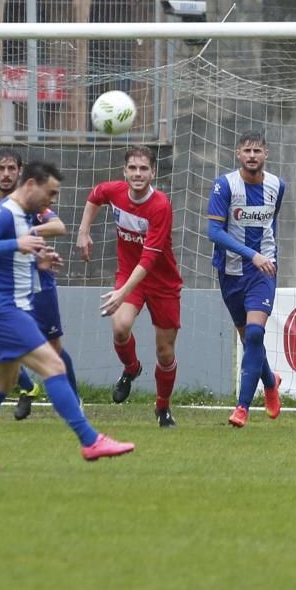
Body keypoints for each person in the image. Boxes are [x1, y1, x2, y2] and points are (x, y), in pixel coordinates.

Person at [0, 161, 134, 468]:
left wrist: (36, 260)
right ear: (30, 185)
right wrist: (19, 243)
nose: (52, 200)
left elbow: (8, 259)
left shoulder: (25, 215)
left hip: (7, 308)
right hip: (2, 310)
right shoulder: (3, 213)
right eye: (50, 193)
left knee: (2, 382)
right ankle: (90, 440)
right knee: (53, 363)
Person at [76, 146, 183, 427]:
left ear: (153, 172)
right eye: (133, 168)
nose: (138, 174)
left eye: (143, 168)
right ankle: (131, 369)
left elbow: (149, 259)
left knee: (165, 351)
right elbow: (95, 195)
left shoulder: (160, 206)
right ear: (124, 172)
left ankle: (163, 407)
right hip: (128, 276)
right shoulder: (115, 191)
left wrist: (121, 292)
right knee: (120, 326)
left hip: (162, 282)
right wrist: (83, 231)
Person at [0, 147, 79, 421]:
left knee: (53, 347)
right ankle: (28, 389)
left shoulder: (29, 200)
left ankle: (74, 401)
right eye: (1, 168)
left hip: (36, 280)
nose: (6, 174)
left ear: (21, 172)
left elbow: (58, 226)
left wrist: (28, 233)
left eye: (11, 169)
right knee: (1, 345)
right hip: (3, 284)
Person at [207, 131, 284, 428]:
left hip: (263, 271)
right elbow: (213, 233)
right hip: (230, 272)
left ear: (266, 154)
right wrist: (251, 254)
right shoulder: (224, 185)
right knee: (247, 336)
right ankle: (270, 380)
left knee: (254, 335)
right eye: (247, 150)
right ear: (238, 154)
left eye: (257, 151)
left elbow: (270, 224)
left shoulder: (277, 185)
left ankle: (242, 407)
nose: (252, 156)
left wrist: (260, 257)